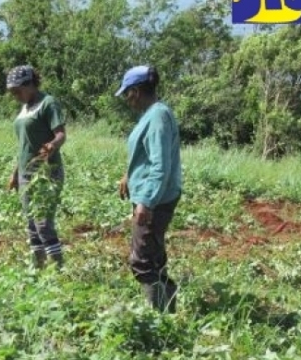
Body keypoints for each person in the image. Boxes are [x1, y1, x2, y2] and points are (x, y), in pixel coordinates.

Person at [115, 65, 183, 313]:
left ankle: (157, 316)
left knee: (142, 260)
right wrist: (129, 175)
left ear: (135, 91)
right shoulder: (152, 114)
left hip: (156, 199)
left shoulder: (157, 117)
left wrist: (146, 202)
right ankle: (169, 308)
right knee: (153, 256)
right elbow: (146, 155)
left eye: (127, 94)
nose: (126, 100)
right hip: (152, 194)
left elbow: (160, 165)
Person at [5, 65, 67, 270]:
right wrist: (15, 173)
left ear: (30, 85)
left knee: (43, 222)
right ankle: (38, 269)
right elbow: (24, 146)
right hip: (26, 173)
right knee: (31, 223)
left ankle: (57, 271)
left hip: (46, 172)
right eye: (12, 92)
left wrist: (52, 146)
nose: (15, 96)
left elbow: (60, 134)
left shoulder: (48, 103)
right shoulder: (24, 109)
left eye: (17, 91)